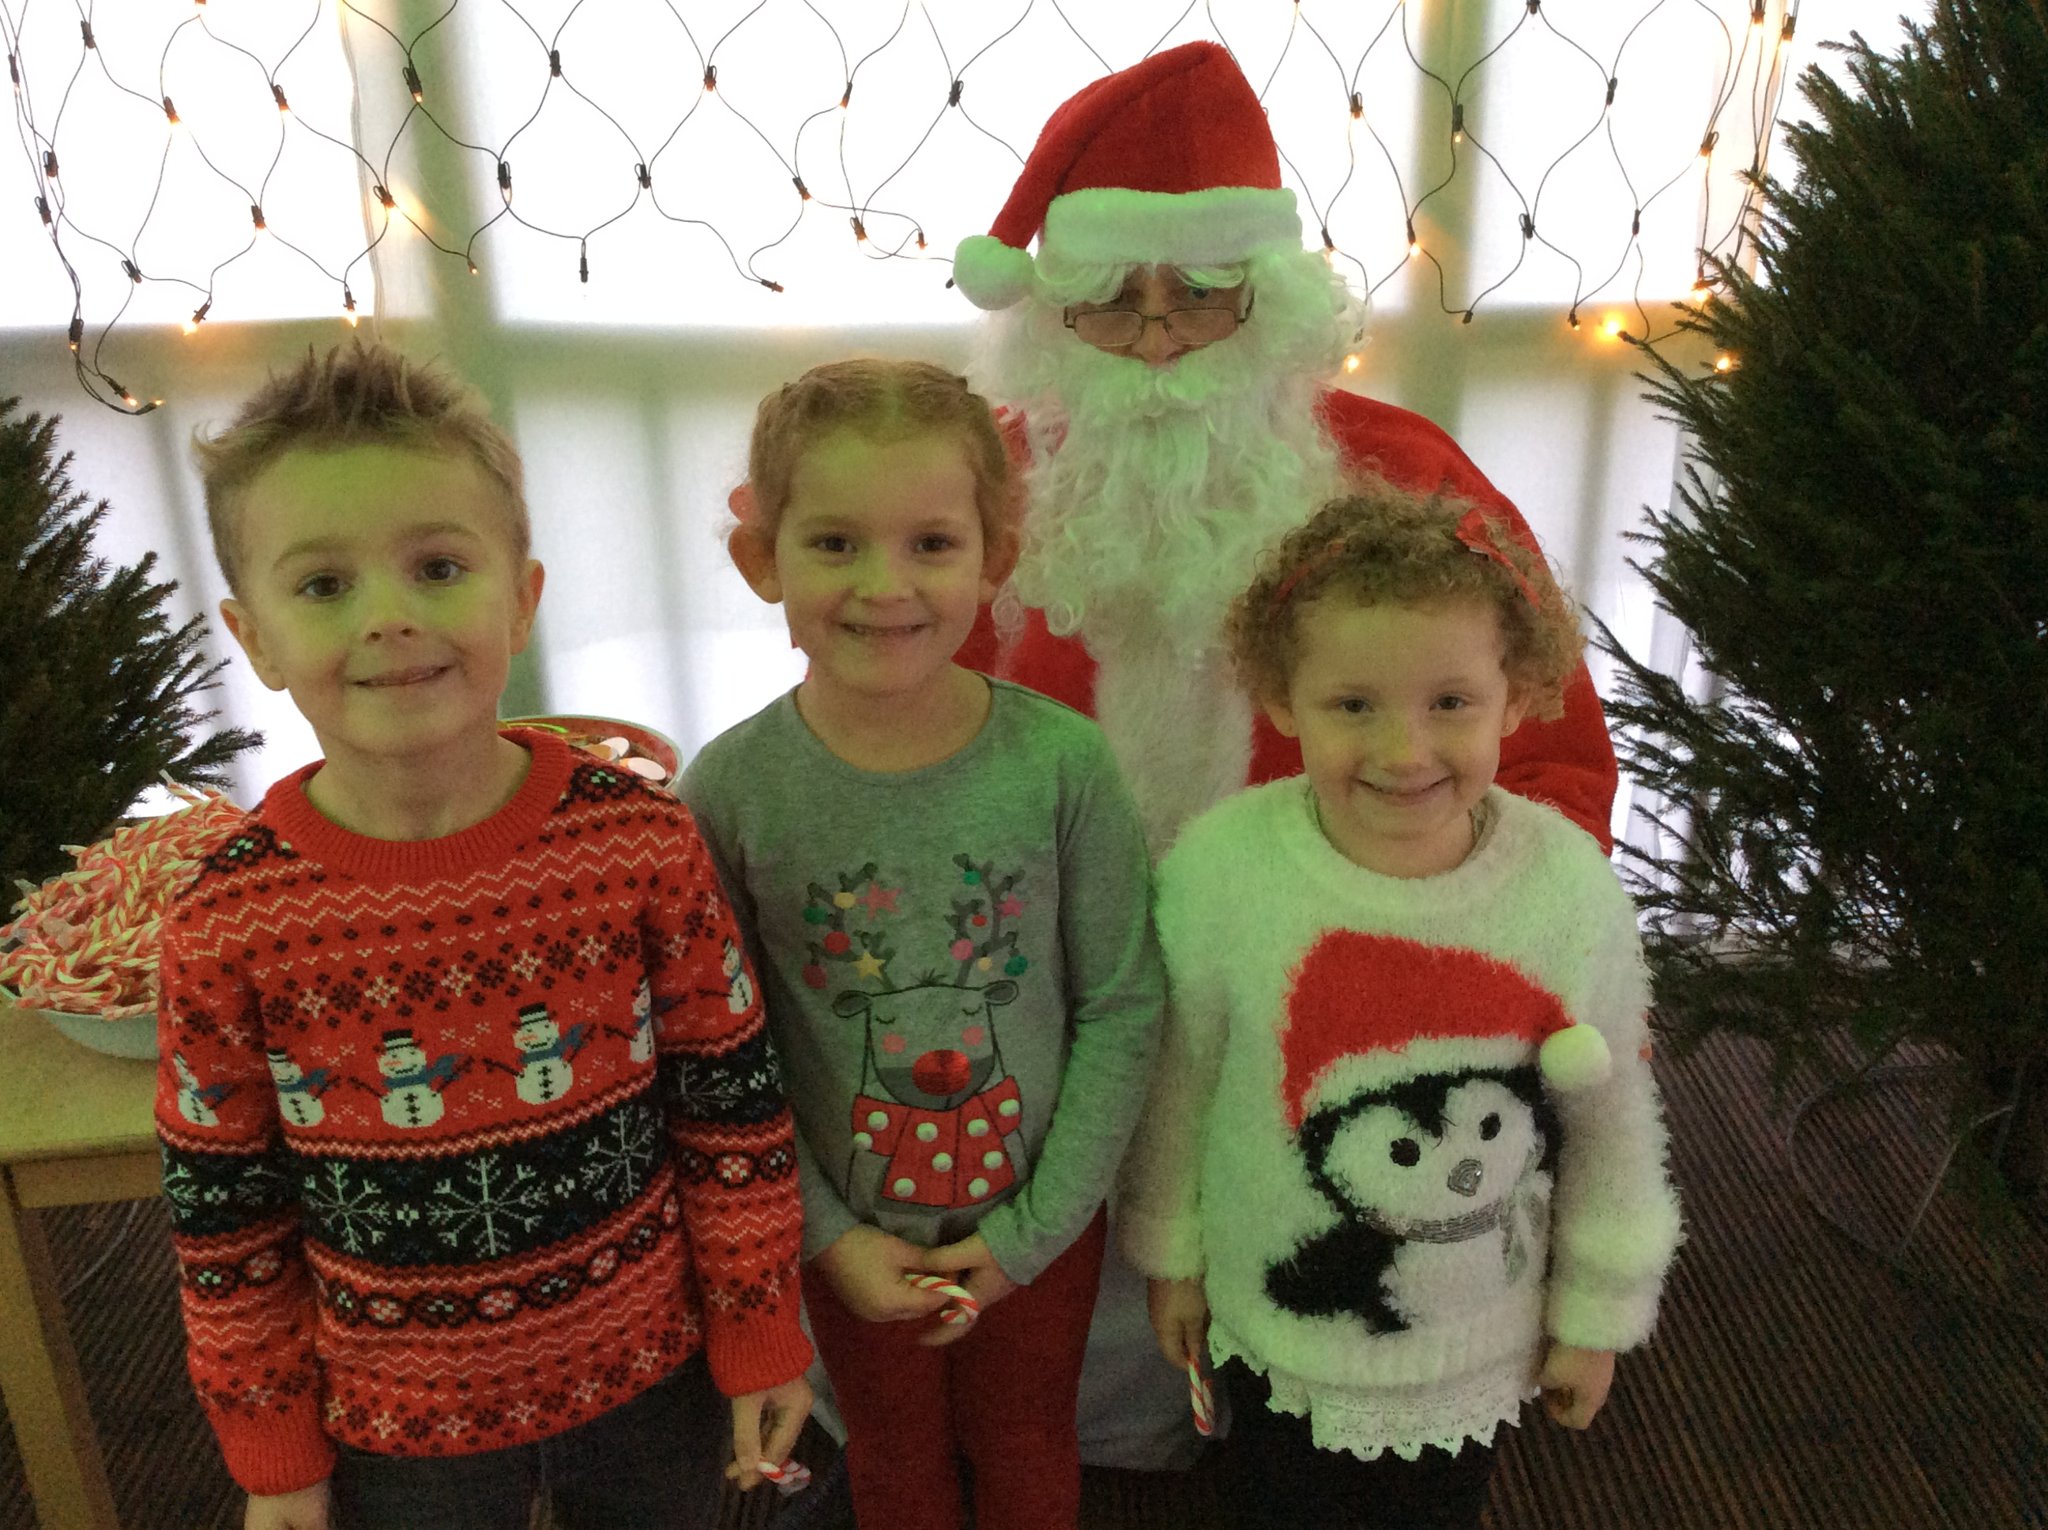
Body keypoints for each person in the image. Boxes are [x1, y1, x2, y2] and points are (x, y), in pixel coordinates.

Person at [949, 37, 1624, 1465]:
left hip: (1320, 985)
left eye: (1203, 292)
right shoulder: (978, 489)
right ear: (1049, 308)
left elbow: (1549, 742)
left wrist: (1484, 940)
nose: (1160, 336)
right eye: (1114, 298)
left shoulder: (1408, 480)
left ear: (1274, 300)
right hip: (1046, 981)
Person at [158, 341, 814, 1530]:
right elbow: (225, 1216)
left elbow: (729, 1104)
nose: (389, 618)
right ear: (254, 637)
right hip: (397, 1435)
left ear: (520, 596)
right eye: (324, 587)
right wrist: (275, 1453)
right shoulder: (225, 919)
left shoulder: (640, 844)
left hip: (649, 1385)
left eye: (438, 566)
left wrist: (761, 1325)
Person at [1117, 483, 1682, 1529]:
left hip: (1474, 1341)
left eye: (1449, 703)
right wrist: (1172, 1254)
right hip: (1272, 1317)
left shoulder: (1562, 888)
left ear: (1515, 697)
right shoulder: (1221, 870)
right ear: (1281, 698)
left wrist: (1594, 1313)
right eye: (1352, 705)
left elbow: (1611, 1120)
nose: (1402, 751)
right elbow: (1178, 1081)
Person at [680, 358, 1164, 1530]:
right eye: (835, 543)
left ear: (995, 554)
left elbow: (1120, 1004)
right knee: (893, 1463)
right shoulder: (730, 791)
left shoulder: (1063, 765)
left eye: (931, 544)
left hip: (1034, 1228)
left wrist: (1031, 1233)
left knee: (1024, 1444)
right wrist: (826, 1235)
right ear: (762, 561)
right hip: (844, 1234)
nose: (883, 585)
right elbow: (718, 1056)